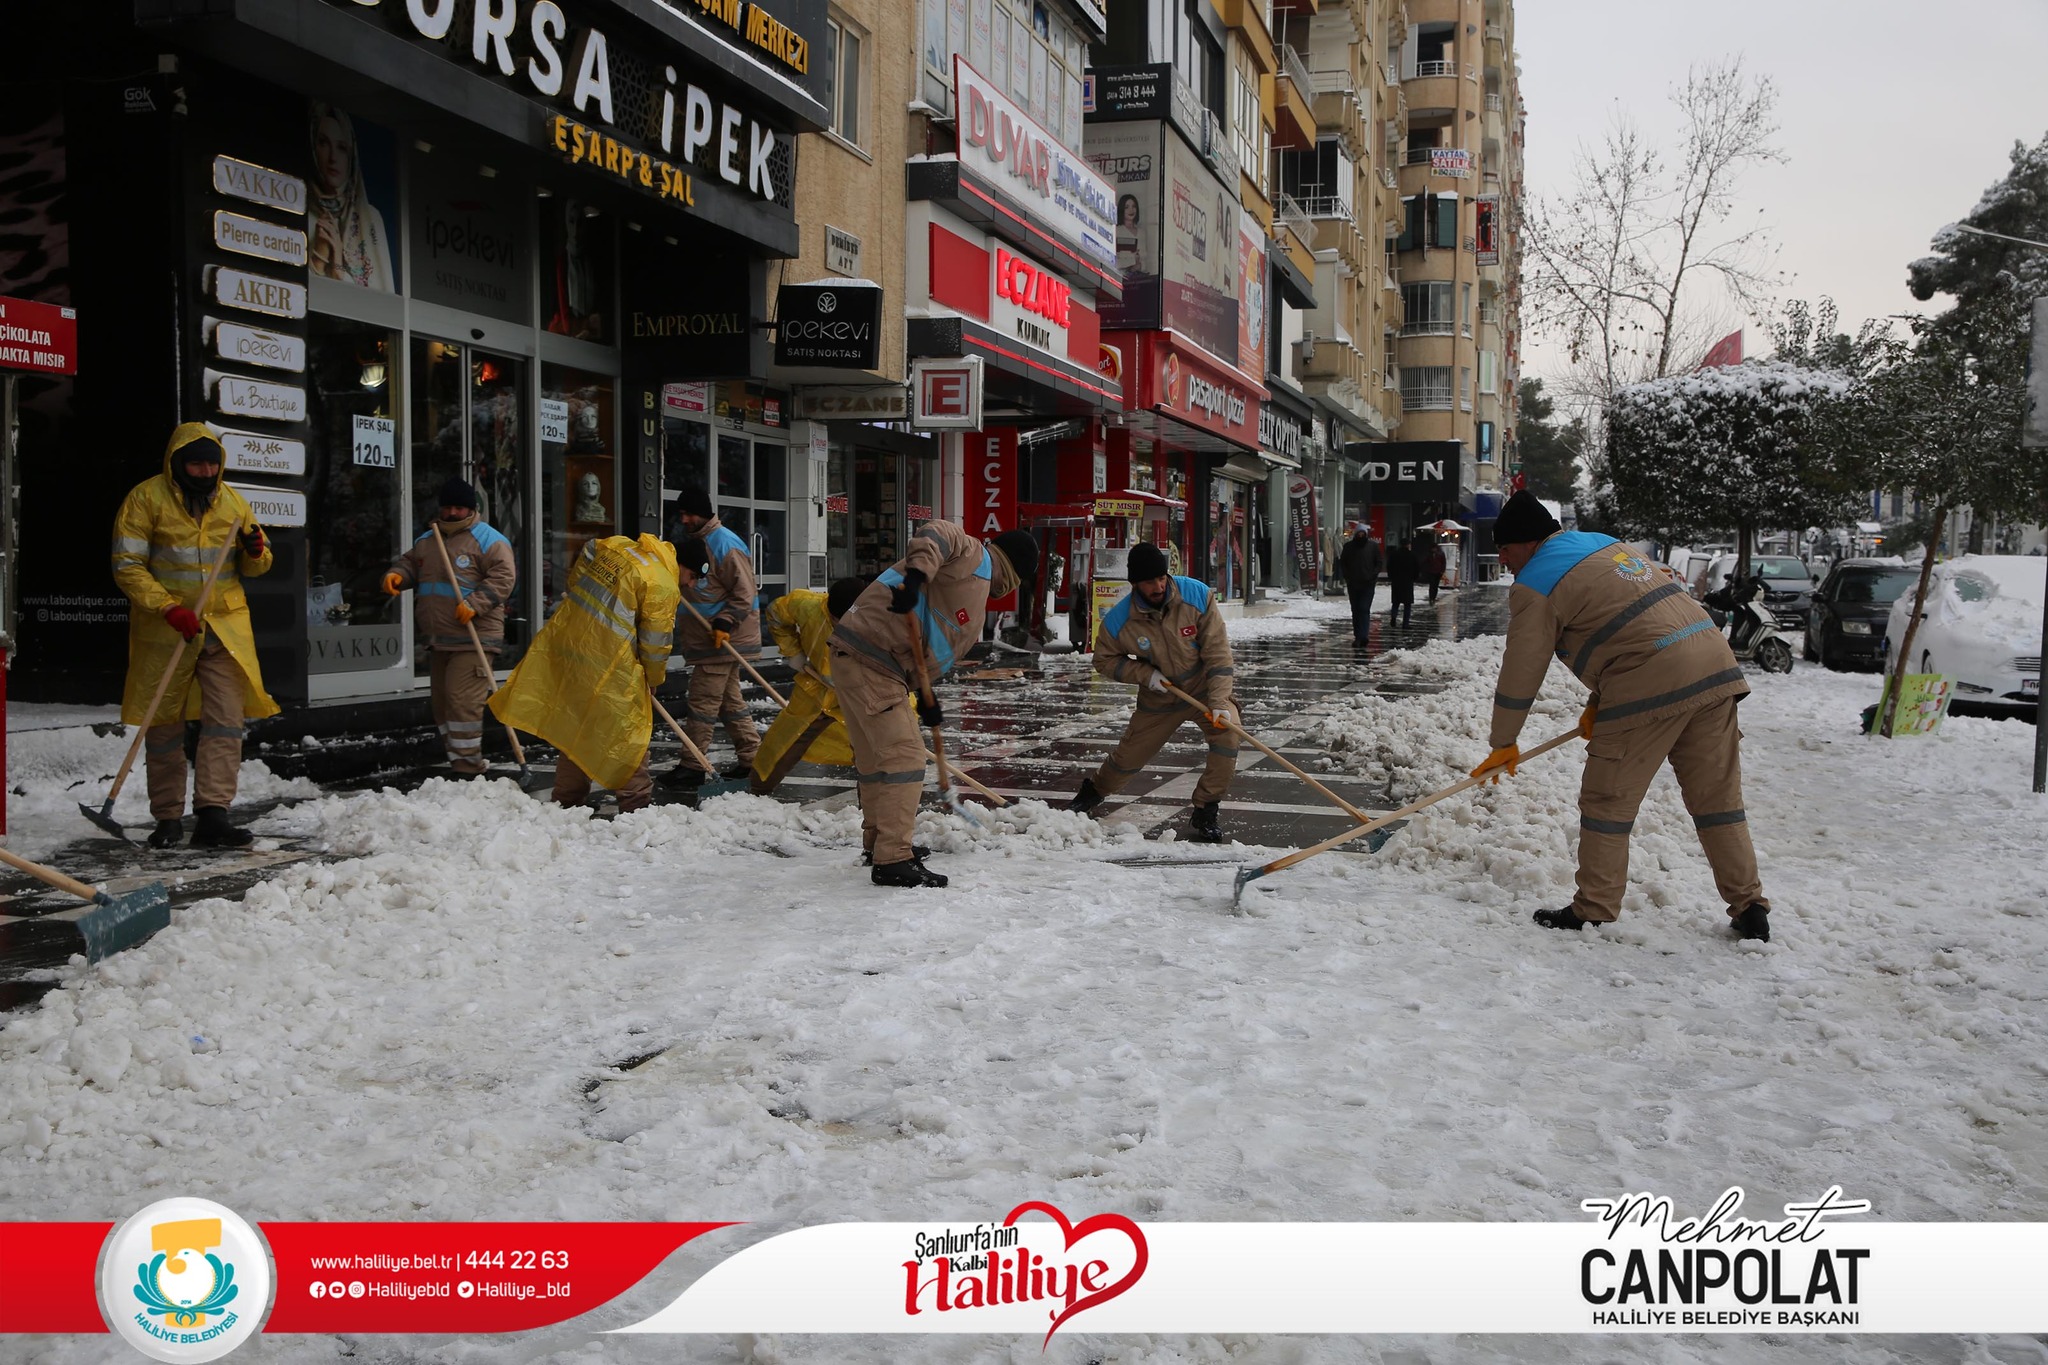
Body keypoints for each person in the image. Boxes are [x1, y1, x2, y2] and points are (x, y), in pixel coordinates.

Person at [1473, 491, 1771, 941]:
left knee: (1607, 801)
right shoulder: (1604, 544)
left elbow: (1522, 667)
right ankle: (1750, 907)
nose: (1504, 558)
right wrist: (1598, 703)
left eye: (1506, 548)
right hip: (1714, 666)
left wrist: (1503, 742)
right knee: (1718, 800)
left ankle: (1593, 908)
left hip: (1651, 680)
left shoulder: (1536, 582)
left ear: (1528, 544)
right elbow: (1629, 622)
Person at [829, 522, 1038, 887]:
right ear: (1015, 570)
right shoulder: (973, 553)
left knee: (877, 762)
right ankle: (892, 858)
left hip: (873, 663)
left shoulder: (976, 592)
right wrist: (914, 579)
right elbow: (935, 534)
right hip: (871, 659)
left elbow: (931, 646)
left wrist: (927, 698)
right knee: (904, 759)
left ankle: (879, 843)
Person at [111, 422, 279, 849]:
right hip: (166, 629)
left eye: (211, 463)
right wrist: (168, 607)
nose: (204, 471)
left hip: (223, 627)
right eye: (196, 463)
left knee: (225, 721)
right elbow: (127, 565)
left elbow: (257, 563)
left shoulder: (234, 504)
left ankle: (213, 815)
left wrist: (257, 551)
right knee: (163, 723)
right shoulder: (145, 499)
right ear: (177, 463)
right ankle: (167, 817)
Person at [488, 533, 680, 814]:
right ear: (682, 568)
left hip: (574, 646)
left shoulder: (618, 546)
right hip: (610, 663)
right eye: (690, 581)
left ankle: (567, 799)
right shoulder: (662, 584)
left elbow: (590, 547)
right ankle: (636, 805)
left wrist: (577, 587)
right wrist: (653, 679)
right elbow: (655, 644)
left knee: (577, 724)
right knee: (626, 733)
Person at [1068, 543, 1238, 842]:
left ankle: (1206, 809)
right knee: (1128, 758)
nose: (1158, 586)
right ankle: (1092, 792)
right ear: (1135, 584)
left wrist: (1220, 701)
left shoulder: (1197, 596)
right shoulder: (1121, 620)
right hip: (1160, 696)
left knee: (1228, 735)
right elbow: (1103, 660)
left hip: (1202, 690)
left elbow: (1218, 654)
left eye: (1161, 578)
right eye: (1149, 581)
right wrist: (1145, 675)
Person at [380, 477, 517, 776]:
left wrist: (475, 604)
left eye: (459, 507)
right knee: (442, 706)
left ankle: (468, 768)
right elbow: (410, 564)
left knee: (462, 703)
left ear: (470, 508)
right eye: (448, 507)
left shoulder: (489, 540)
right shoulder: (429, 540)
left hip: (474, 637)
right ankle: (458, 759)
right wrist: (397, 576)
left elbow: (504, 578)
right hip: (439, 639)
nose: (453, 513)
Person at [662, 486, 762, 789]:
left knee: (703, 703)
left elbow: (745, 592)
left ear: (703, 513)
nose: (684, 519)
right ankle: (754, 760)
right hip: (709, 641)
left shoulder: (724, 543)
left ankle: (692, 766)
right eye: (681, 514)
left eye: (688, 513)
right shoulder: (699, 542)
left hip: (722, 639)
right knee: (731, 704)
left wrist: (725, 621)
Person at [749, 577, 869, 796]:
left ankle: (875, 808)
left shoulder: (879, 622)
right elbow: (775, 614)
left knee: (872, 752)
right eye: (835, 620)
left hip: (860, 696)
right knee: (784, 740)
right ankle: (757, 788)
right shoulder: (806, 606)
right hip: (815, 688)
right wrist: (793, 652)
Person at [308, 102, 395, 291]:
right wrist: (319, 256)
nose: (333, 157)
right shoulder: (301, 213)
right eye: (323, 143)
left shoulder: (370, 219)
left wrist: (338, 265)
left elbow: (384, 304)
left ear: (351, 155)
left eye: (341, 147)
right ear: (314, 151)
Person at [1338, 525, 1383, 645]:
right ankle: (1358, 635)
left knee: (1364, 609)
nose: (1361, 536)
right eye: (1359, 534)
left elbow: (1379, 562)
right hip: (1353, 584)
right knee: (1356, 610)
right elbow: (1343, 563)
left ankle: (1363, 635)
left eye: (1363, 534)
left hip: (1368, 583)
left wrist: (1373, 575)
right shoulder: (1348, 547)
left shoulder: (1373, 546)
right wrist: (1348, 577)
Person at [1385, 538, 1419, 627]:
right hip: (1407, 582)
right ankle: (1405, 623)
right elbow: (1417, 568)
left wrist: (1391, 577)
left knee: (1396, 602)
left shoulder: (1394, 555)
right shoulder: (1412, 555)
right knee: (1407, 604)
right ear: (1408, 545)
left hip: (1396, 581)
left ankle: (1393, 618)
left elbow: (1389, 567)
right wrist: (1414, 578)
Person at [1423, 537, 1447, 602]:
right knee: (1432, 585)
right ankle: (1431, 597)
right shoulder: (1430, 554)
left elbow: (1443, 562)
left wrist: (1442, 570)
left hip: (1438, 572)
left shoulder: (1440, 554)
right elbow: (1426, 562)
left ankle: (1433, 597)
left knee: (1435, 585)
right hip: (1431, 571)